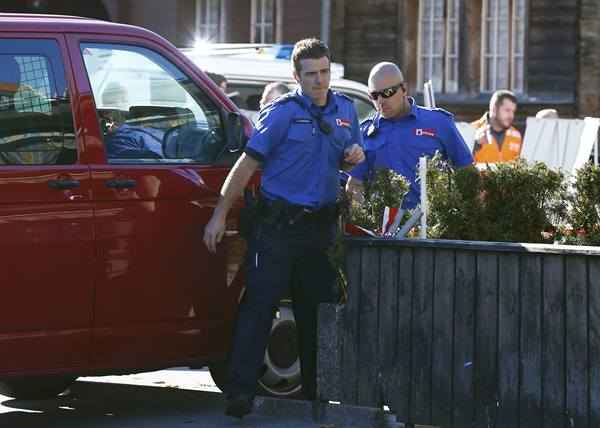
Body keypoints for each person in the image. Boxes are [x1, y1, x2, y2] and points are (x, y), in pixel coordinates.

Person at [203, 38, 364, 419]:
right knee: (258, 310)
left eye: (324, 72)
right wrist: (219, 214)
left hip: (320, 230)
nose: (319, 81)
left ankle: (316, 396)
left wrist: (355, 162)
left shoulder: (345, 111)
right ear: (296, 76)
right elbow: (245, 167)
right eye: (311, 75)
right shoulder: (281, 113)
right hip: (277, 229)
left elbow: (353, 167)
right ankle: (239, 394)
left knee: (316, 315)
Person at [346, 62, 473, 211]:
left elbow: (467, 172)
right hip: (385, 228)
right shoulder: (366, 132)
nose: (381, 101)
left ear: (404, 89)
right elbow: (355, 185)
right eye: (374, 95)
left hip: (432, 225)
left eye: (387, 93)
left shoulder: (438, 122)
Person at [472, 89, 522, 164]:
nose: (511, 116)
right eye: (507, 110)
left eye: (513, 111)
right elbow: (460, 165)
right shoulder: (472, 131)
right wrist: (476, 145)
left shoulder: (516, 135)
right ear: (494, 109)